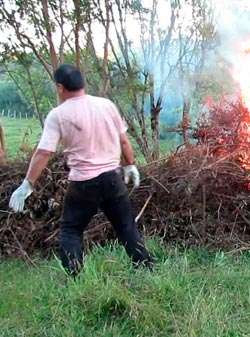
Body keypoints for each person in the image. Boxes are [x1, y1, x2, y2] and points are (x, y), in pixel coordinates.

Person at [9, 64, 154, 275]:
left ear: (60, 87)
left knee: (71, 230)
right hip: (113, 179)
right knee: (126, 227)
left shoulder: (58, 115)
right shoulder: (106, 105)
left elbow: (44, 153)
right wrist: (130, 164)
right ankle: (146, 268)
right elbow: (123, 139)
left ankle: (75, 277)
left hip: (83, 183)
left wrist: (27, 184)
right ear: (82, 83)